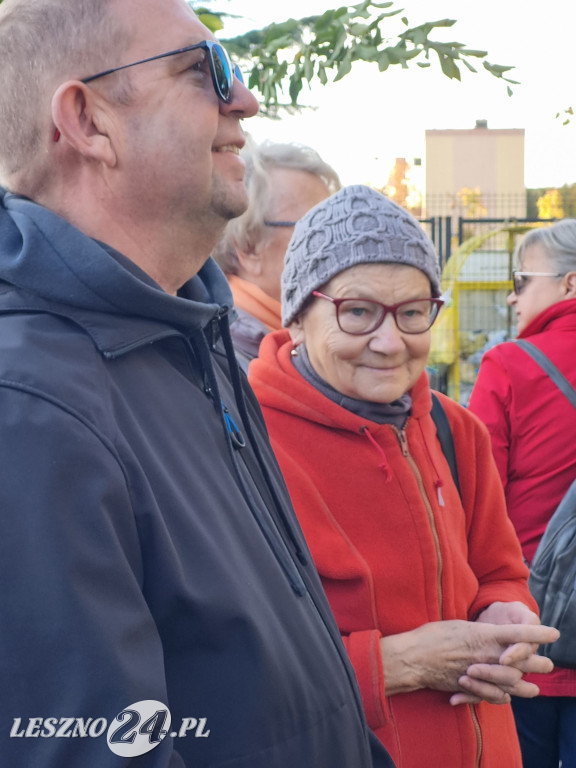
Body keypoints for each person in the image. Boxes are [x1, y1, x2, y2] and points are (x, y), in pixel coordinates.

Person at [0, 3, 394, 767]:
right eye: (204, 71)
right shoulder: (31, 406)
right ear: (87, 120)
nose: (243, 99)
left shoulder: (190, 337)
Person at [248, 184, 560, 768]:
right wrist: (396, 664)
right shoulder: (243, 443)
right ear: (298, 316)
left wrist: (507, 611)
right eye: (358, 311)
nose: (390, 342)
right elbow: (230, 663)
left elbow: (500, 569)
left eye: (414, 312)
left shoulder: (453, 428)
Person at [468, 220, 576, 768]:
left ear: (570, 284)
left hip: (533, 626)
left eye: (521, 278)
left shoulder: (510, 365)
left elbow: (476, 501)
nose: (512, 295)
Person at [212, 137, 340, 369]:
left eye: (336, 226)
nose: (337, 244)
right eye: (316, 228)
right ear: (249, 246)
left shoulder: (306, 343)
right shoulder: (228, 366)